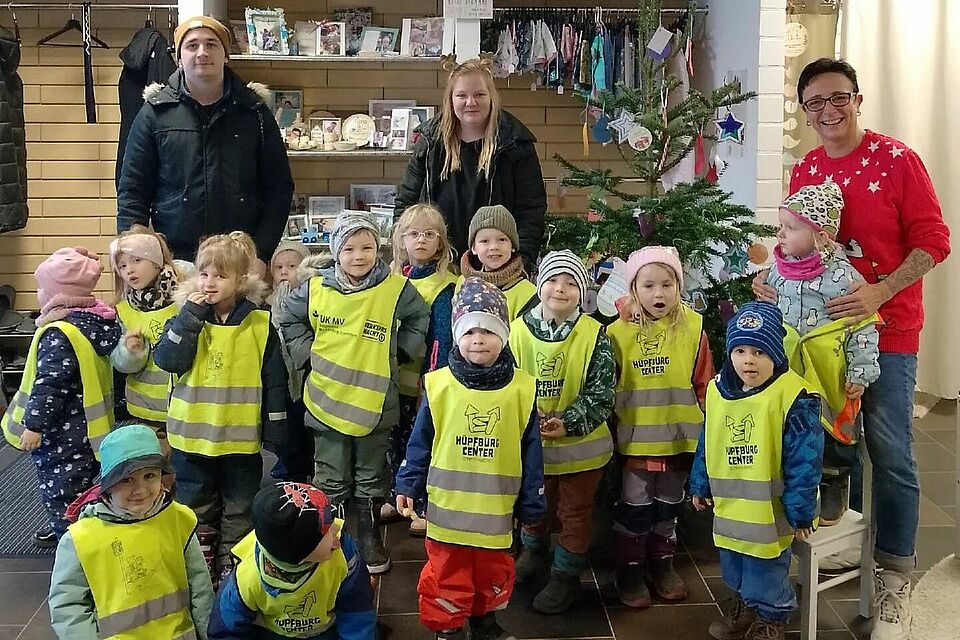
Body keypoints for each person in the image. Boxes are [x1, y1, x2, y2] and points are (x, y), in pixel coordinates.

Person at [753, 58, 950, 638]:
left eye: (838, 97)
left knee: (890, 452)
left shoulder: (897, 160)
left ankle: (895, 576)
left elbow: (935, 241)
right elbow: (797, 244)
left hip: (888, 333)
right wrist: (772, 277)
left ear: (857, 99)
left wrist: (880, 291)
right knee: (834, 440)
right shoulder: (807, 167)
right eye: (815, 101)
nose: (828, 110)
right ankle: (848, 545)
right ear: (804, 110)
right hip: (817, 343)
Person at [277, 210, 429, 576]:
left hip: (376, 403)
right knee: (330, 474)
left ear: (378, 249)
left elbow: (419, 318)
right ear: (336, 252)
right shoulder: (316, 288)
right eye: (348, 249)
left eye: (367, 248)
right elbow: (288, 318)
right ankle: (336, 535)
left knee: (371, 472)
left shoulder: (395, 289)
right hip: (326, 401)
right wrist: (307, 354)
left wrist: (399, 352)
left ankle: (369, 534)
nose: (358, 256)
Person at [395, 277, 545, 640]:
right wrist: (407, 484)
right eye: (470, 330)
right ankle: (447, 629)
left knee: (493, 573)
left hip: (497, 514)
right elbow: (419, 444)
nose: (478, 339)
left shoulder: (522, 389)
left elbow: (532, 454)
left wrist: (532, 502)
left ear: (504, 336)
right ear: (457, 335)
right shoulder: (439, 385)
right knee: (446, 574)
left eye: (489, 330)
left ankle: (485, 623)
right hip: (446, 514)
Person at [153, 231, 288, 587]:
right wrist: (190, 317)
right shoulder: (185, 316)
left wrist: (276, 429)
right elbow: (167, 359)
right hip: (192, 438)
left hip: (239, 440)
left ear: (241, 280)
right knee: (196, 503)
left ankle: (234, 562)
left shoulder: (260, 322)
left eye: (220, 275)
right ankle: (201, 562)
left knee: (240, 506)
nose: (209, 282)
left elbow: (275, 381)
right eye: (204, 273)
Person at [690, 302, 823, 640]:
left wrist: (800, 513)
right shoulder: (718, 390)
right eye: (740, 351)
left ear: (776, 354)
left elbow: (804, 461)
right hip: (730, 509)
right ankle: (746, 604)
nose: (748, 360)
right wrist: (700, 484)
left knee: (766, 569)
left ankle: (772, 616)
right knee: (733, 562)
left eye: (759, 352)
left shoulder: (794, 396)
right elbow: (708, 439)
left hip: (771, 512)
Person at [117, 16, 294, 268]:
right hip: (175, 261)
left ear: (225, 55)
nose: (202, 52)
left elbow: (279, 187)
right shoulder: (154, 113)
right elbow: (133, 189)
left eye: (211, 44)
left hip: (240, 261)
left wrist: (262, 253)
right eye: (192, 45)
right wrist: (135, 253)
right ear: (179, 58)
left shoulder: (254, 112)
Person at [606, 246, 714, 608]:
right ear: (633, 289)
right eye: (648, 285)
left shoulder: (694, 328)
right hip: (635, 443)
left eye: (667, 285)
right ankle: (630, 571)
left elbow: (705, 385)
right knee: (634, 507)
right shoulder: (617, 332)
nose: (658, 294)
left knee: (669, 505)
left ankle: (663, 564)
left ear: (679, 286)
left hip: (681, 442)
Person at [767, 181, 880, 525]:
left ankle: (833, 484)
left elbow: (863, 325)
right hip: (789, 370)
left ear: (822, 236)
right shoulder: (777, 272)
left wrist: (861, 371)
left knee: (833, 429)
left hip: (830, 371)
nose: (781, 234)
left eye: (791, 228)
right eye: (781, 226)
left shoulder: (843, 277)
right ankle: (796, 484)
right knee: (792, 426)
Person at [510, 250, 615, 614]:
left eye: (571, 283)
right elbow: (507, 383)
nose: (560, 289)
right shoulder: (517, 332)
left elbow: (602, 393)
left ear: (581, 293)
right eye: (553, 280)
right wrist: (527, 418)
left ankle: (566, 576)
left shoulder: (594, 335)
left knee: (575, 513)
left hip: (582, 451)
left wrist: (569, 421)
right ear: (540, 285)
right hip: (533, 448)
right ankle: (533, 553)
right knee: (534, 506)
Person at [48, 424, 215, 640]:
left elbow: (201, 588)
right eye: (127, 479)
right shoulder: (80, 539)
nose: (140, 490)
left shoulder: (179, 519)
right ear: (108, 485)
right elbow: (68, 606)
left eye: (150, 475)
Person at [1, 247, 120, 547]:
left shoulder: (59, 333)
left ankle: (71, 542)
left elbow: (50, 385)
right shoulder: (95, 322)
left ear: (59, 293)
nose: (38, 293)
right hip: (87, 428)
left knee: (61, 491)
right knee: (80, 486)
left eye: (41, 287)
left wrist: (34, 425)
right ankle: (73, 528)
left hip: (61, 432)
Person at [394, 57, 547, 271]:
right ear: (450, 99)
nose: (470, 102)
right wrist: (403, 254)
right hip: (435, 266)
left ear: (491, 97)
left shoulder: (515, 144)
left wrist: (521, 262)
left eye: (479, 95)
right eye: (461, 95)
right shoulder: (430, 143)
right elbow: (406, 203)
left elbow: (531, 210)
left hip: (495, 266)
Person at [209, 482, 377, 640]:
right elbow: (226, 631)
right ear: (303, 551)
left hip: (329, 632)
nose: (338, 529)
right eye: (328, 531)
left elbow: (357, 613)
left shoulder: (344, 553)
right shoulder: (246, 578)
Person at [380, 204, 457, 537]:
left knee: (423, 441)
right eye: (413, 234)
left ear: (440, 242)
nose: (421, 240)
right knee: (396, 439)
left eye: (429, 234)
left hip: (426, 383)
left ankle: (424, 504)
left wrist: (433, 380)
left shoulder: (445, 285)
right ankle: (399, 496)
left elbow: (442, 337)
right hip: (394, 379)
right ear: (401, 240)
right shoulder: (392, 280)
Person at [109, 226, 183, 457]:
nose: (129, 270)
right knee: (152, 465)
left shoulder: (185, 299)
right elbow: (120, 364)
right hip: (145, 408)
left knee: (184, 466)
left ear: (156, 261)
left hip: (184, 404)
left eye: (136, 260)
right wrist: (130, 352)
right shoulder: (123, 309)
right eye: (122, 266)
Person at [266, 240, 315, 482]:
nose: (285, 272)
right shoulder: (268, 302)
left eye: (292, 266)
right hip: (281, 374)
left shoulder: (313, 297)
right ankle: (288, 462)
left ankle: (306, 464)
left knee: (305, 423)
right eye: (279, 267)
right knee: (285, 424)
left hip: (305, 370)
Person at [458, 205, 538, 319]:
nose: (493, 247)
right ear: (474, 248)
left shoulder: (527, 292)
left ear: (512, 246)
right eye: (485, 241)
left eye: (502, 239)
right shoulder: (462, 283)